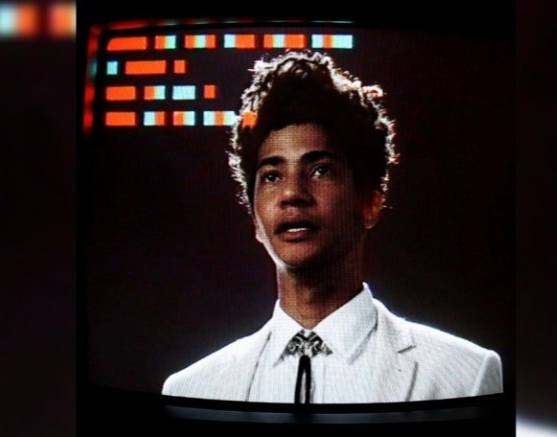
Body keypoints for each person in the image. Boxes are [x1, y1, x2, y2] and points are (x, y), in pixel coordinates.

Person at [162, 50, 502, 403]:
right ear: (255, 221)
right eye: (272, 176)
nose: (292, 194)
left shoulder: (464, 376)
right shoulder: (191, 389)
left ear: (370, 203)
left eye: (320, 170)